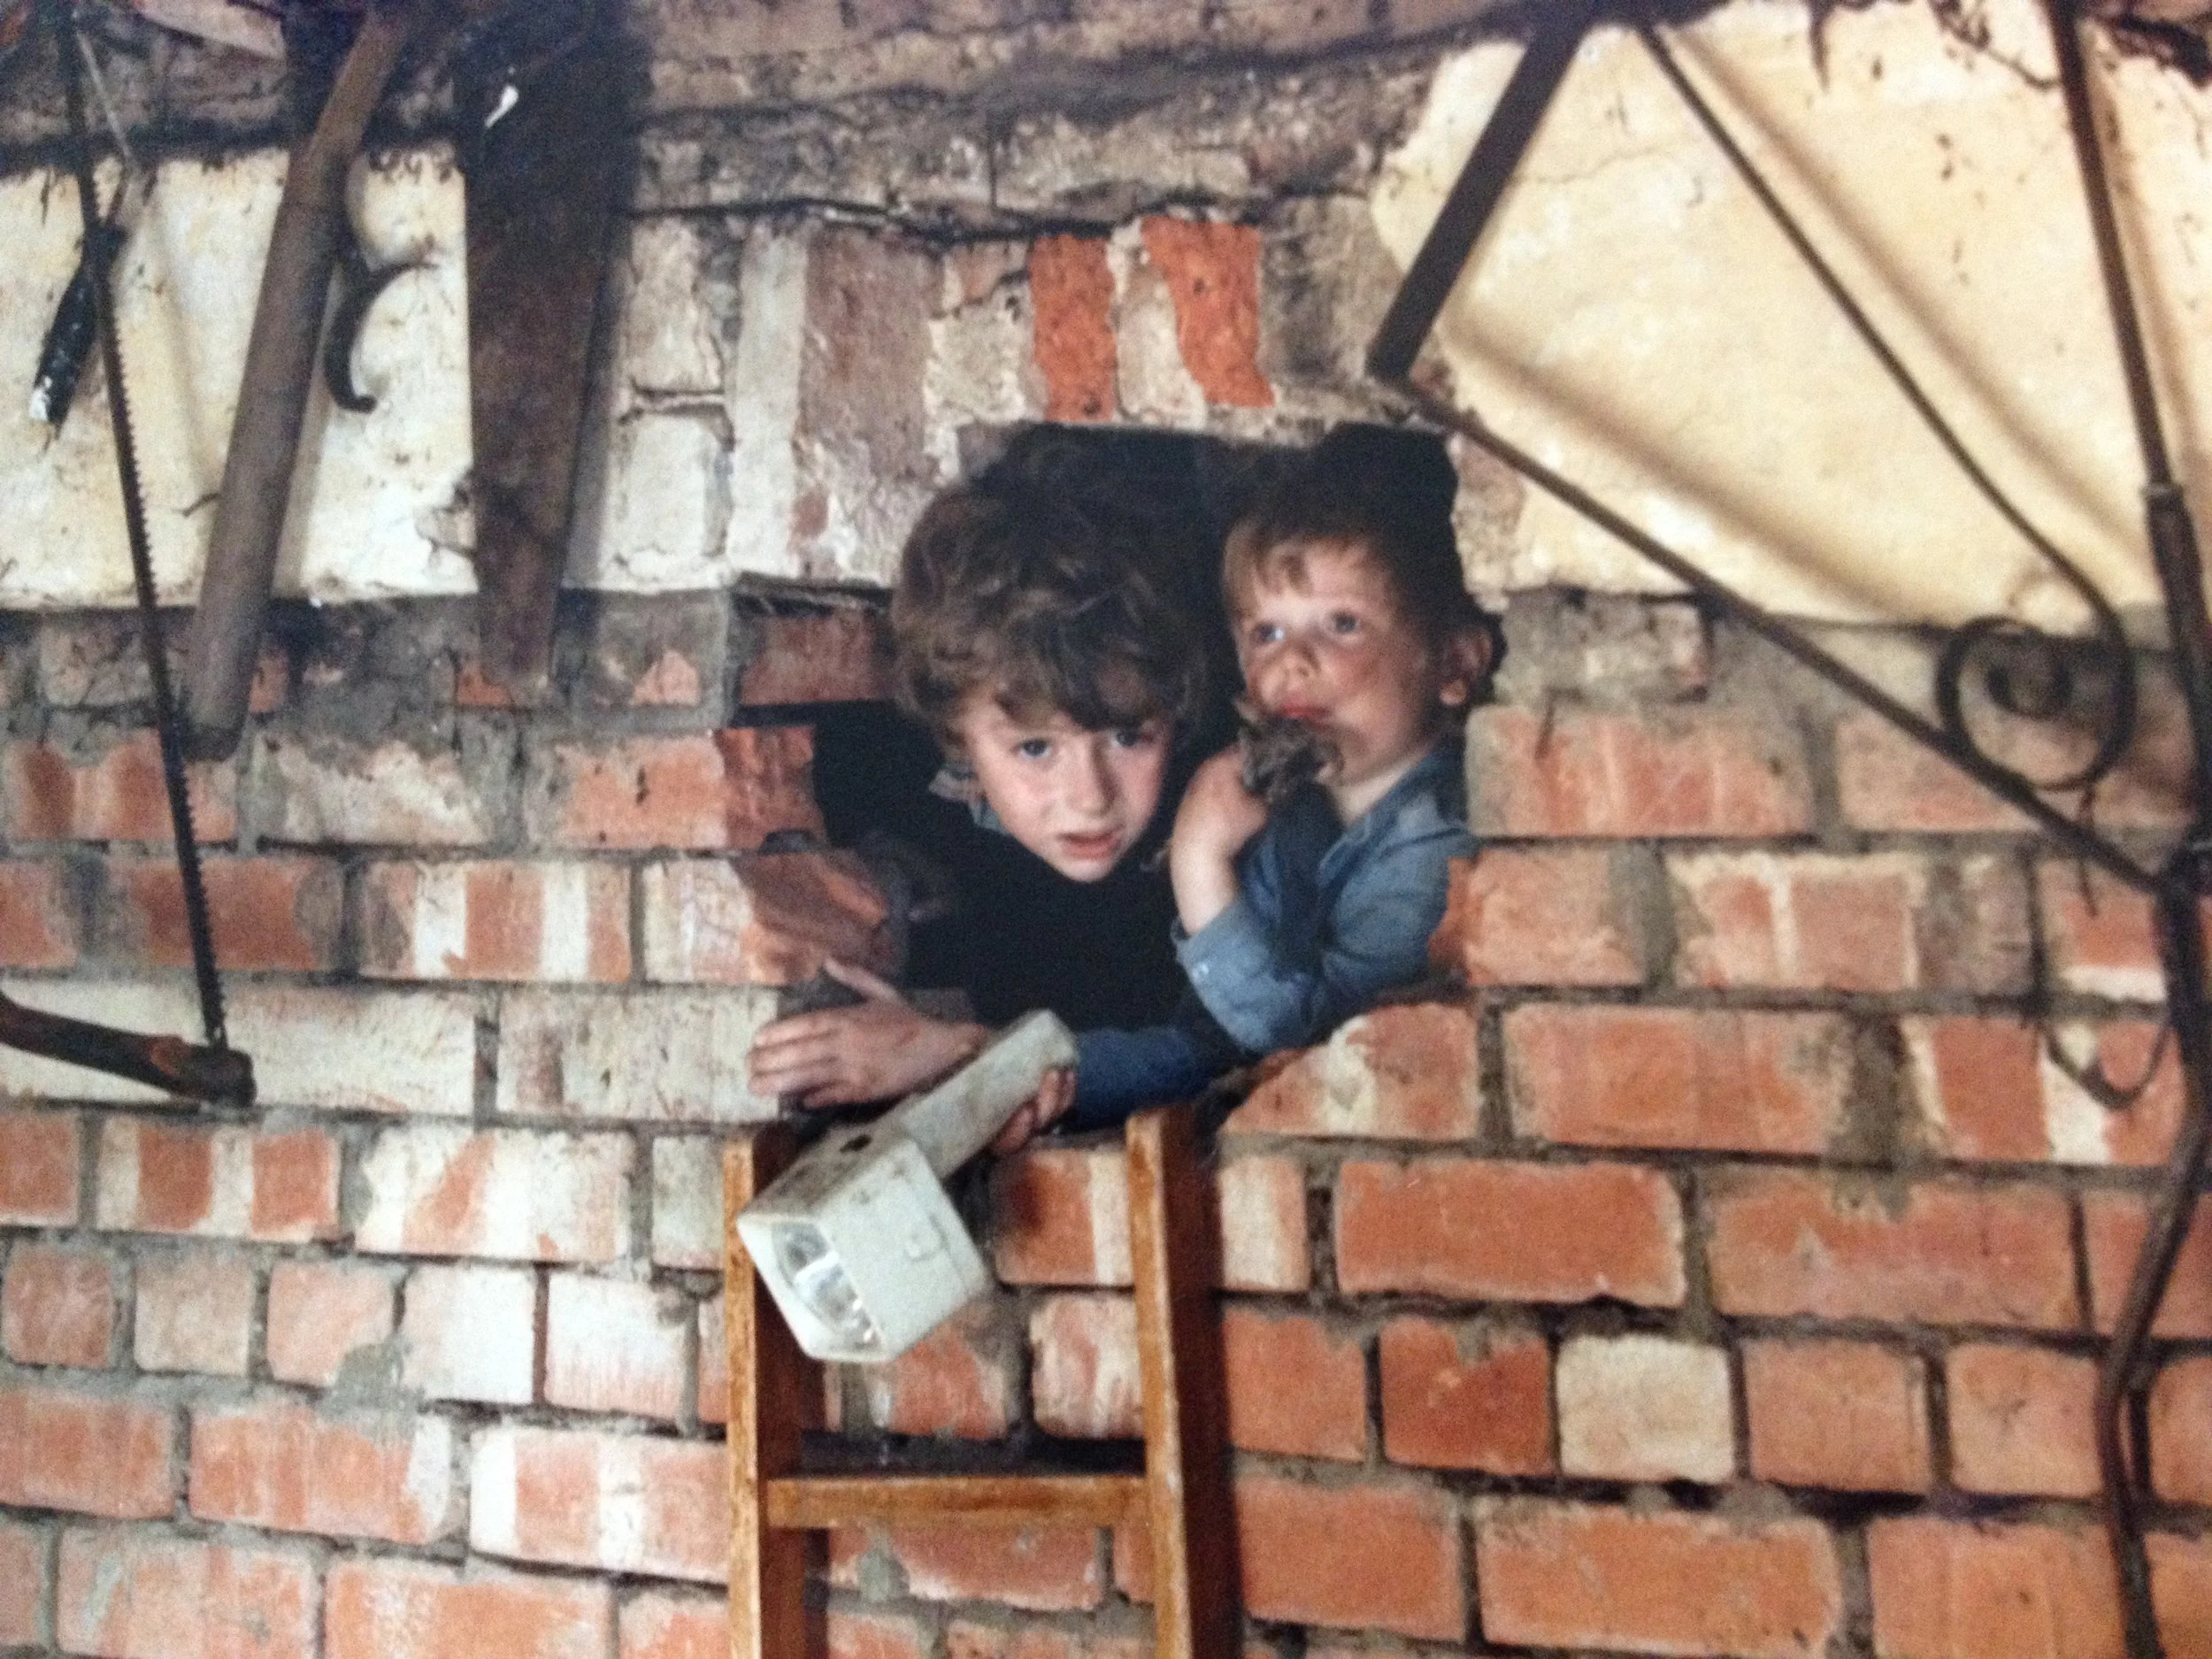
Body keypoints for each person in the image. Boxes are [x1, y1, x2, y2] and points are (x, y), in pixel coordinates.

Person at [744, 431, 1238, 1144]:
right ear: (957, 734)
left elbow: (1216, 1053)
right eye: (1036, 748)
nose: (1090, 796)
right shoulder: (883, 776)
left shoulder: (1219, 817)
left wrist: (967, 1053)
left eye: (1129, 735)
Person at [1164, 424, 1498, 1065]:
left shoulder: (1435, 848)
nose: (1292, 662)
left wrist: (1198, 864)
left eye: (1341, 624)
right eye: (1266, 632)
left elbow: (1318, 1060)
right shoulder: (1292, 802)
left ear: (1454, 662)